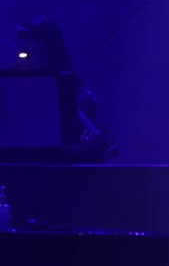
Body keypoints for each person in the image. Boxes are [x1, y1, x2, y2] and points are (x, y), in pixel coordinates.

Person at [14, 16, 116, 162]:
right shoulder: (9, 93)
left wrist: (81, 148)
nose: (24, 61)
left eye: (32, 55)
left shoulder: (70, 95)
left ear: (49, 56)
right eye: (22, 54)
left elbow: (95, 144)